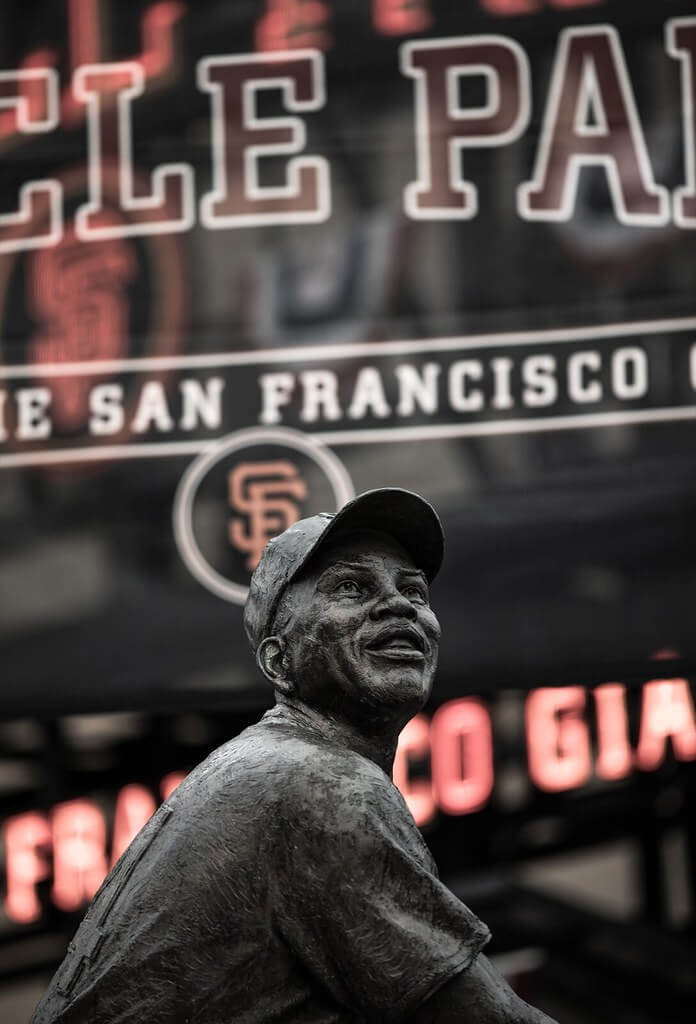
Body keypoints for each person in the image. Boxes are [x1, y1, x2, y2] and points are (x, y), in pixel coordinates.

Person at [31, 487, 558, 1023]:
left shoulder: (270, 765)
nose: (400, 605)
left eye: (415, 592)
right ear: (280, 663)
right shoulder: (313, 782)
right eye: (351, 588)